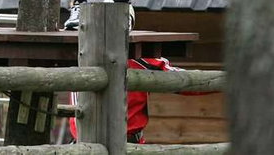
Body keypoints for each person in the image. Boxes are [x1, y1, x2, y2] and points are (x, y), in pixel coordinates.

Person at [68, 57, 202, 144]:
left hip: (128, 144)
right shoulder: (75, 56)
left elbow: (182, 80)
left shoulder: (141, 61)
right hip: (83, 143)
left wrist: (219, 81)